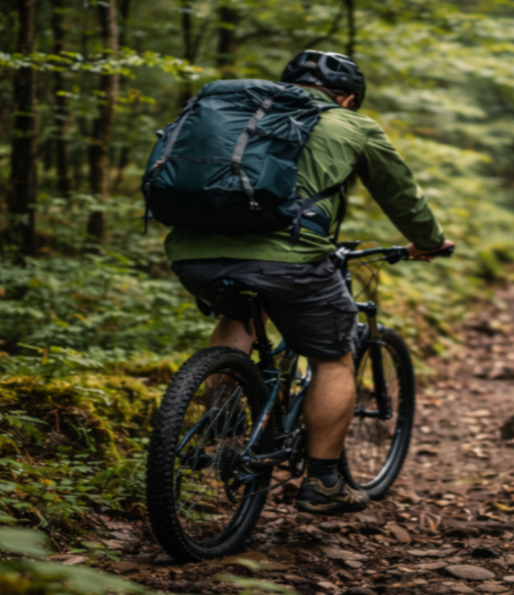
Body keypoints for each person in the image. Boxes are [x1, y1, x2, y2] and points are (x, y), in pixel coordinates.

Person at [165, 50, 454, 516]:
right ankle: (323, 482)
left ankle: (224, 430)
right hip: (290, 260)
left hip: (192, 253)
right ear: (348, 98)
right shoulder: (351, 124)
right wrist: (429, 241)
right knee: (333, 358)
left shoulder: (238, 111)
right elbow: (400, 194)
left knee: (238, 315)